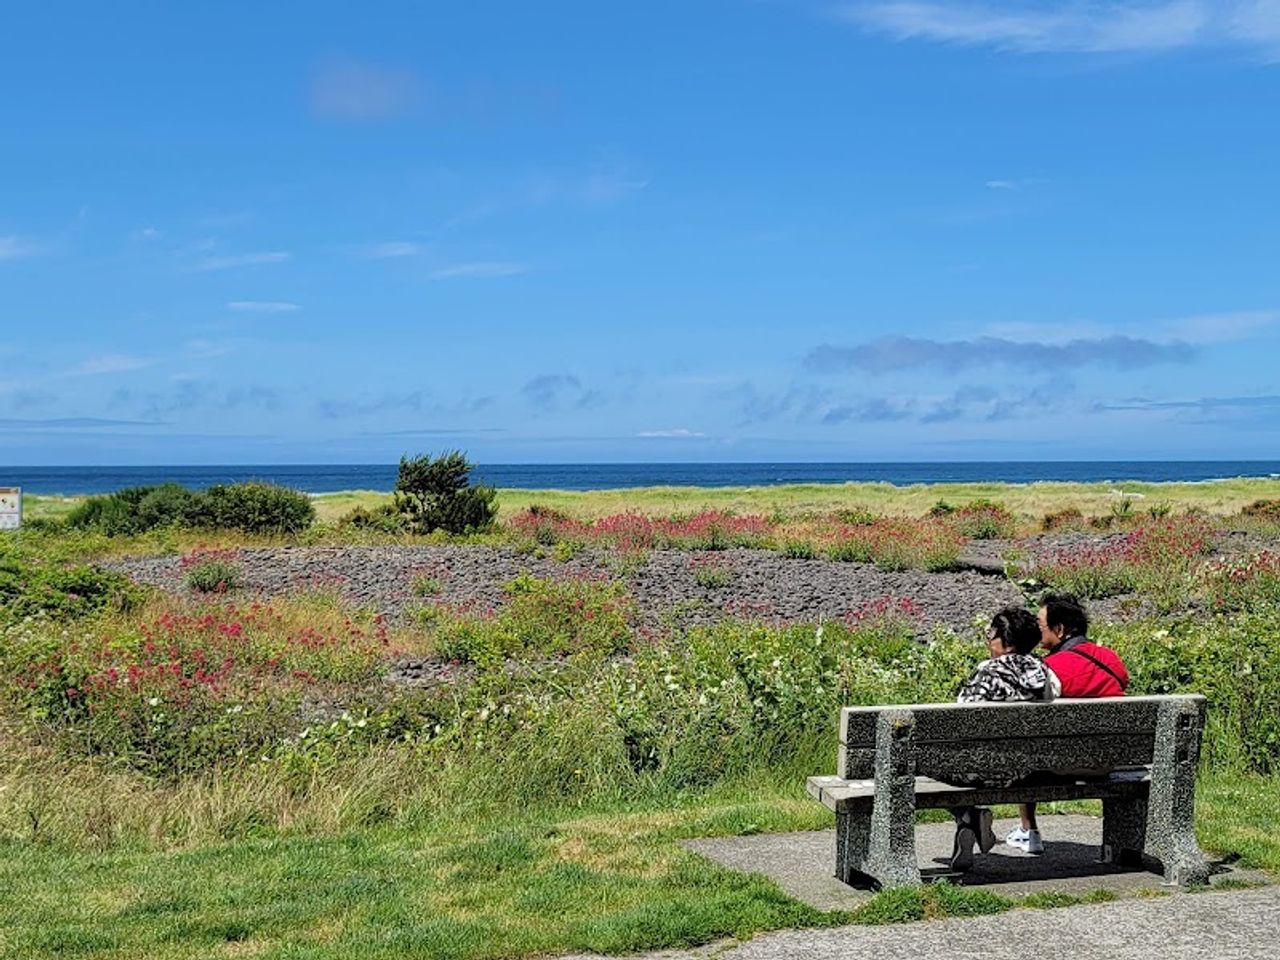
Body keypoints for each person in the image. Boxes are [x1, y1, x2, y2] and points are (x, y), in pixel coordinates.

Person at [1007, 592, 1130, 854]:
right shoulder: (1111, 659)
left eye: (1040, 625)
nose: (1036, 631)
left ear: (1060, 630)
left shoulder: (1050, 668)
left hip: (1061, 763)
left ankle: (1028, 830)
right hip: (1107, 760)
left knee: (1024, 744)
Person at [949, 605, 1058, 871]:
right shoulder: (1044, 672)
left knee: (928, 764)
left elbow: (960, 720)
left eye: (991, 635)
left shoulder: (987, 672)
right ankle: (968, 820)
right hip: (1031, 769)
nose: (989, 641)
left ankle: (968, 817)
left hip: (984, 771)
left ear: (1006, 643)